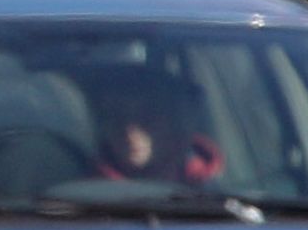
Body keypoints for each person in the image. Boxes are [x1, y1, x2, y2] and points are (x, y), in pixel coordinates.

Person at [82, 64, 222, 186]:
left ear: (173, 124)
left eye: (146, 118)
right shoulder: (77, 192)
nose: (131, 134)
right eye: (118, 119)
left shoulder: (218, 195)